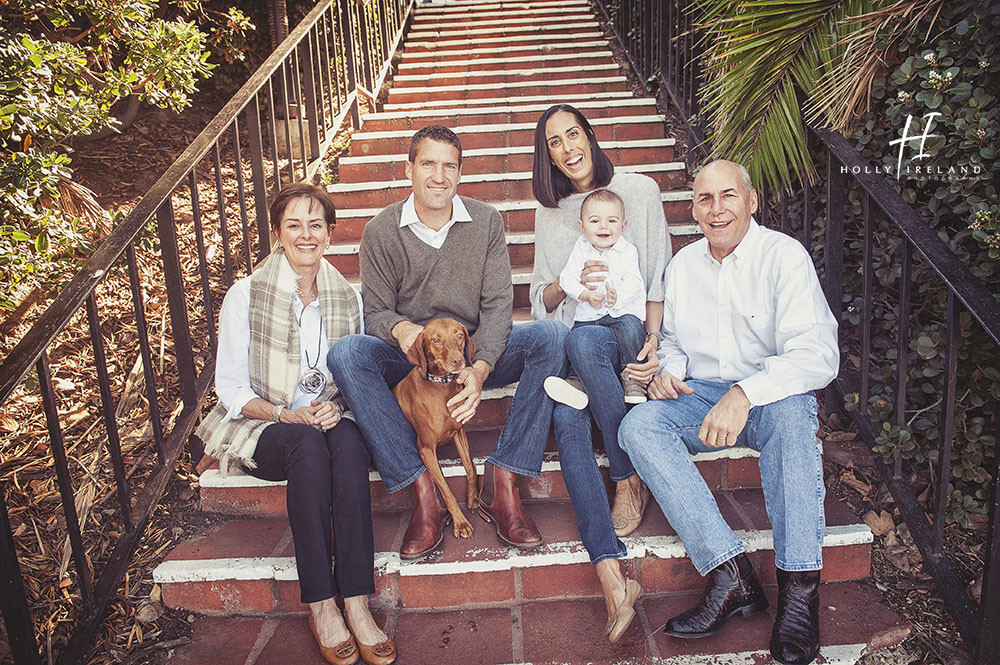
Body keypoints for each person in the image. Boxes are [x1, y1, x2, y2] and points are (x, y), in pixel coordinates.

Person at [618, 160, 839, 665]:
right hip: (701, 394)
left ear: (751, 200)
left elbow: (818, 354)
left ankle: (801, 592)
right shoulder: (684, 265)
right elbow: (671, 341)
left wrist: (744, 394)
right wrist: (666, 372)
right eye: (704, 199)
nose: (716, 210)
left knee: (794, 418)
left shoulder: (783, 256)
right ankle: (730, 572)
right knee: (639, 426)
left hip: (769, 394)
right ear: (693, 208)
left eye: (728, 196)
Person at [326, 124, 568, 562]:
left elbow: (498, 309)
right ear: (409, 169)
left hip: (470, 350)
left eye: (449, 167)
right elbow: (376, 312)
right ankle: (424, 492)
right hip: (411, 360)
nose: (439, 176)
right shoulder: (381, 231)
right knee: (346, 353)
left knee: (550, 336)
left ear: (459, 174)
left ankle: (506, 480)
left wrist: (478, 369)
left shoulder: (485, 222)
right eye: (428, 164)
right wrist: (405, 333)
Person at [195, 183, 395, 665]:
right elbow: (231, 390)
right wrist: (287, 413)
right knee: (306, 444)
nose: (306, 234)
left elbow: (354, 372)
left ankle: (356, 600)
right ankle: (322, 604)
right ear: (278, 233)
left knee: (347, 446)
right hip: (270, 427)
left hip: (328, 414)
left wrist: (337, 406)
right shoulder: (245, 294)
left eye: (316, 225)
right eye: (294, 225)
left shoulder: (347, 297)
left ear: (329, 233)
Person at [529, 104, 670, 642]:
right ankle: (613, 579)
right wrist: (569, 283)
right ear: (547, 155)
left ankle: (625, 475)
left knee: (588, 348)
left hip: (633, 341)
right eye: (554, 143)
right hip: (583, 340)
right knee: (567, 419)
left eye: (573, 134)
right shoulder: (551, 213)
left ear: (589, 135)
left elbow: (658, 277)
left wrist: (655, 345)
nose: (567, 148)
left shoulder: (640, 191)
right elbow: (542, 301)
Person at [543, 188, 649, 407]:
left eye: (611, 220)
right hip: (589, 314)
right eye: (595, 221)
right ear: (581, 227)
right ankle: (575, 382)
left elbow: (635, 283)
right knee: (576, 338)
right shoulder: (580, 249)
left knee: (632, 329)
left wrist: (616, 297)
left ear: (623, 226)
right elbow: (567, 279)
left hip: (620, 313)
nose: (603, 226)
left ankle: (634, 378)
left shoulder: (628, 251)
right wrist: (585, 294)